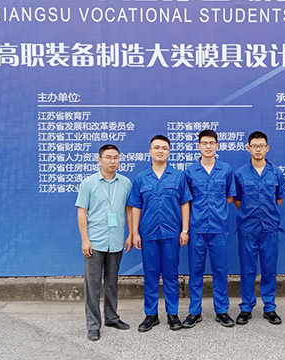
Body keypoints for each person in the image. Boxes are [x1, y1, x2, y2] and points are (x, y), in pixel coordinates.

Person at [127, 135, 192, 332]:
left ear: (169, 152)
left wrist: (185, 230)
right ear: (150, 151)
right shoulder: (141, 178)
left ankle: (172, 314)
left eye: (164, 148)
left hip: (171, 233)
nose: (160, 151)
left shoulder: (178, 176)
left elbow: (185, 203)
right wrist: (135, 232)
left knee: (171, 274)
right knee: (150, 274)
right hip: (148, 234)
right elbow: (136, 206)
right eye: (156, 147)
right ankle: (151, 315)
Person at [75, 144, 133, 341]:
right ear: (99, 160)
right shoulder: (88, 183)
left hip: (116, 240)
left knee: (112, 282)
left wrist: (131, 233)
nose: (112, 161)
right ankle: (93, 325)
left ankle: (112, 317)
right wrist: (85, 239)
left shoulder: (125, 183)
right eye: (108, 157)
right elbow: (81, 212)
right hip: (95, 241)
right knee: (92, 285)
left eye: (116, 157)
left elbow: (129, 209)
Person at [182, 129, 236, 329]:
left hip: (219, 229)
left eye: (211, 143)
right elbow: (186, 200)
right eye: (204, 143)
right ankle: (194, 311)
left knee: (220, 271)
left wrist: (217, 211)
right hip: (197, 228)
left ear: (217, 146)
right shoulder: (190, 172)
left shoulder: (226, 169)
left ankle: (221, 310)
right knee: (195, 271)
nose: (208, 146)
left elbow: (229, 196)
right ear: (199, 146)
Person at [233, 131, 285, 325]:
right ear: (248, 148)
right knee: (247, 269)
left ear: (267, 148)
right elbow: (237, 200)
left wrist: (267, 213)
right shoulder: (240, 174)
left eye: (261, 146)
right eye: (254, 146)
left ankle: (269, 307)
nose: (258, 149)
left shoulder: (276, 172)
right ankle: (246, 307)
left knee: (269, 269)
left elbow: (279, 198)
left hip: (269, 228)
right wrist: (250, 213)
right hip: (247, 229)